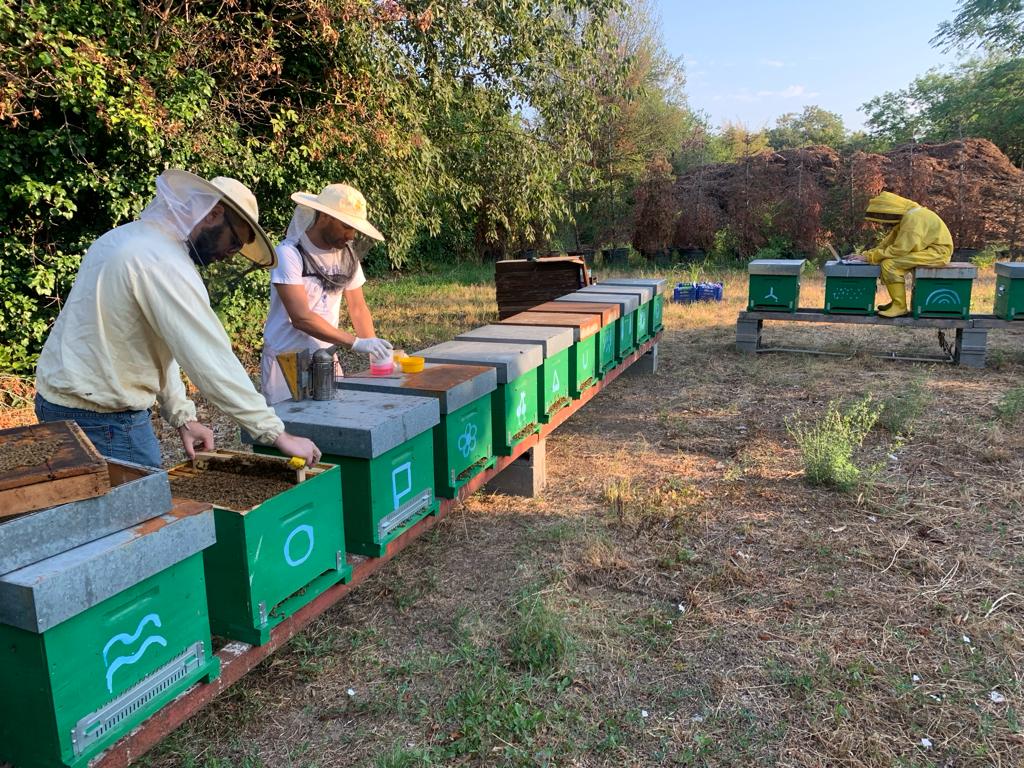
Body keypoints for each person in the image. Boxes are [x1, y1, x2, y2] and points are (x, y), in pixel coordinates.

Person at [34, 169, 322, 468]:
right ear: (213, 214)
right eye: (235, 241)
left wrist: (183, 417)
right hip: (103, 421)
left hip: (56, 405)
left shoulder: (124, 239)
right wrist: (276, 434)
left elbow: (151, 347)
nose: (231, 254)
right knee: (141, 513)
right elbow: (210, 359)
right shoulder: (164, 263)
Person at [261, 183, 393, 404]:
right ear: (324, 217)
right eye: (345, 226)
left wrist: (376, 351)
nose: (350, 236)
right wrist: (356, 342)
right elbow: (301, 318)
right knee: (289, 430)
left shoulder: (346, 257)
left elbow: (358, 308)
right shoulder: (288, 254)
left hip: (326, 358)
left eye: (354, 229)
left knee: (333, 426)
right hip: (287, 363)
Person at [846, 191, 954, 318]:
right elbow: (887, 244)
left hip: (937, 253)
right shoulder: (908, 216)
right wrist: (865, 255)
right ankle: (896, 303)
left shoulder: (913, 220)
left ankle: (900, 306)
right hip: (929, 250)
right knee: (888, 262)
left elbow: (900, 249)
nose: (884, 221)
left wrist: (870, 257)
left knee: (890, 264)